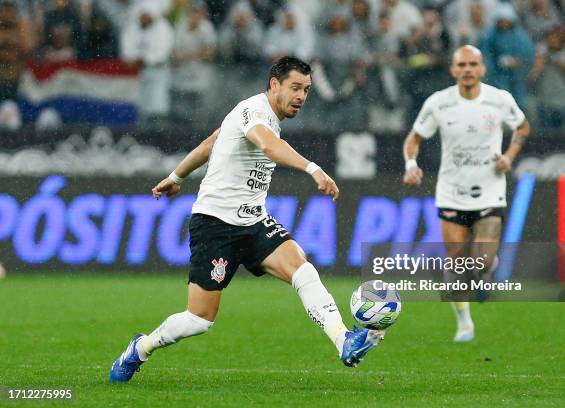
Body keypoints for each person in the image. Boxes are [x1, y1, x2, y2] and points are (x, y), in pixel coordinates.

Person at [109, 57, 385, 382]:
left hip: (253, 222)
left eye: (307, 90)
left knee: (302, 268)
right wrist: (313, 168)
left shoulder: (255, 116)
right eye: (295, 87)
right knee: (199, 319)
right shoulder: (253, 112)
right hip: (215, 224)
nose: (301, 96)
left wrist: (176, 176)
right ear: (274, 85)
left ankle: (344, 342)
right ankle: (141, 348)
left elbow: (212, 141)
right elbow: (268, 146)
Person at [402, 46, 531, 342]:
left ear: (483, 69)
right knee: (457, 263)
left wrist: (509, 156)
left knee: (482, 262)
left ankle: (488, 271)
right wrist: (411, 164)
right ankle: (464, 323)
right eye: (462, 64)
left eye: (474, 64)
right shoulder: (439, 103)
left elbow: (522, 128)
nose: (468, 69)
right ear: (453, 70)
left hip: (489, 190)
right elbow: (414, 138)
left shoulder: (499, 100)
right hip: (451, 192)